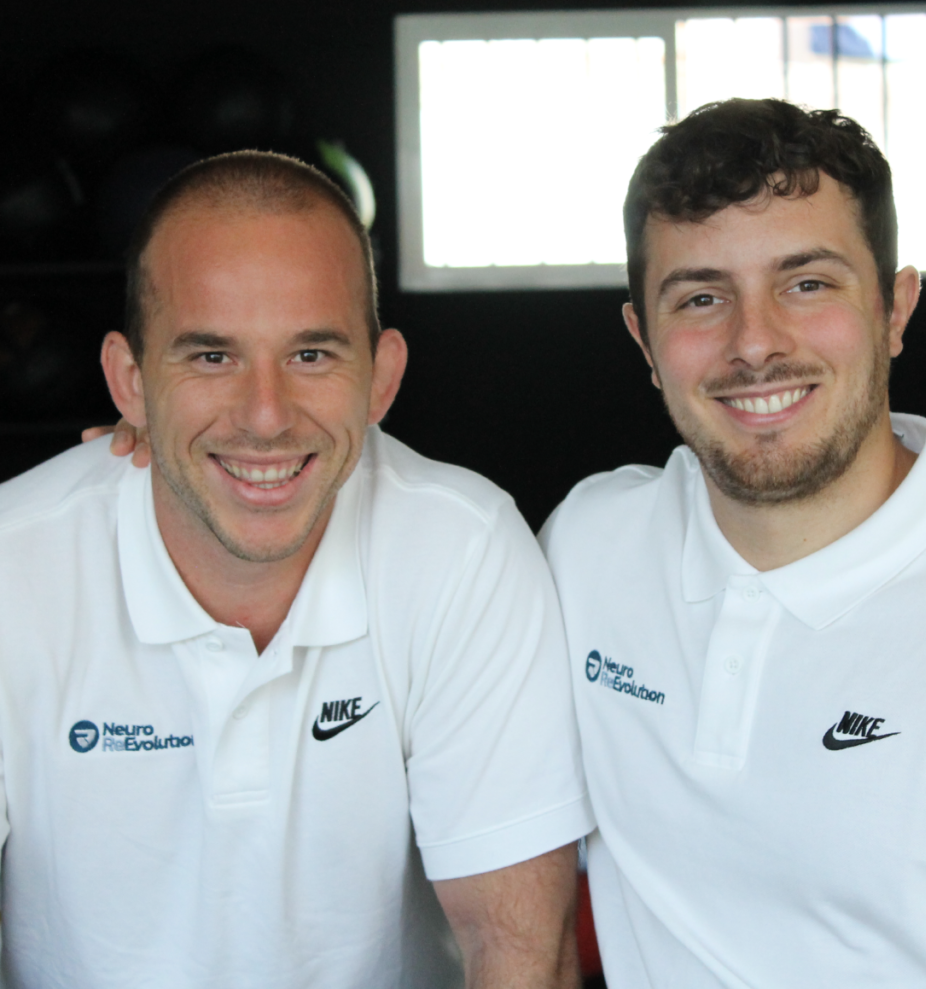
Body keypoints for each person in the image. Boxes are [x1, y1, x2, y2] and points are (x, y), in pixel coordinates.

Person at [0, 151, 594, 989]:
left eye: (311, 355)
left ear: (381, 378)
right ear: (130, 383)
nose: (266, 416)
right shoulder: (15, 562)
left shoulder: (462, 550)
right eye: (212, 357)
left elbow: (519, 950)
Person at [541, 97, 926, 987]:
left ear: (894, 308)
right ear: (644, 339)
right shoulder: (588, 547)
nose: (755, 343)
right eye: (701, 297)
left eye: (807, 284)